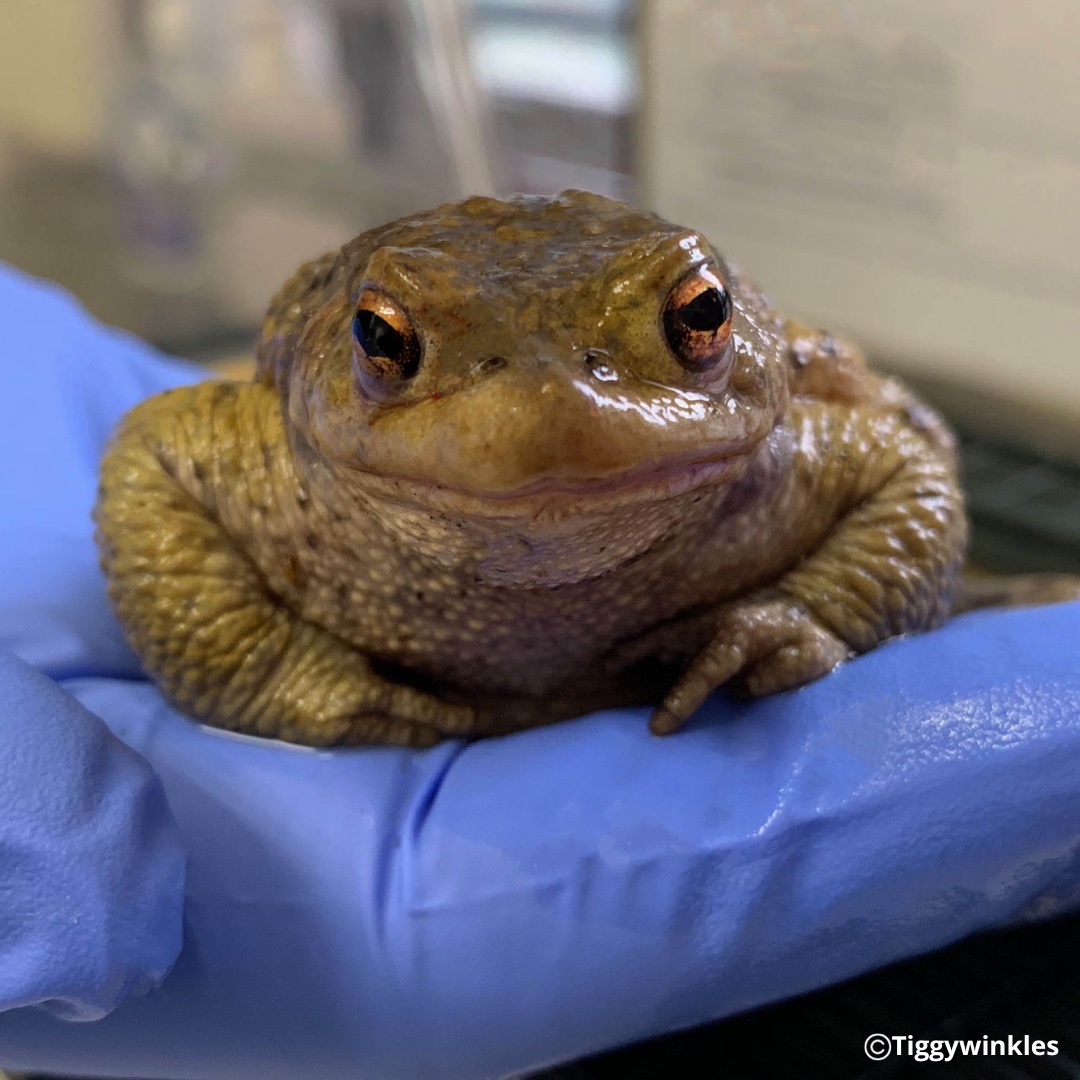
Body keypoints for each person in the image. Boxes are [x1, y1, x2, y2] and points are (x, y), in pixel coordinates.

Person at [1, 262, 1078, 1080]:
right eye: (391, 343)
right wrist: (264, 670)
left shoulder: (780, 454)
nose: (550, 410)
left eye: (689, 322)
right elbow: (151, 458)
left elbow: (907, 472)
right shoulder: (265, 455)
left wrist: (820, 610)